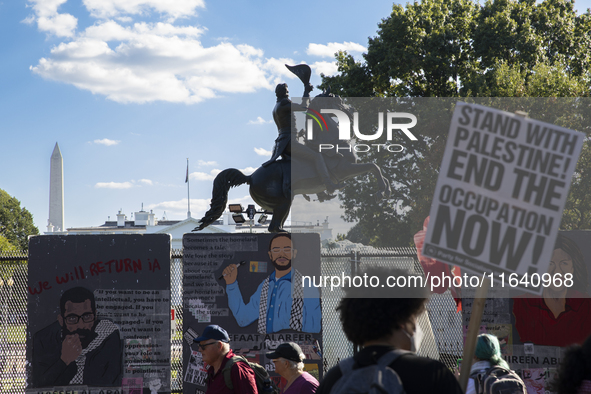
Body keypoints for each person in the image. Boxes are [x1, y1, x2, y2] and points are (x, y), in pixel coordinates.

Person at [316, 266, 463, 394]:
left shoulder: (334, 378)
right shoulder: (432, 374)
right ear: (402, 320)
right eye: (414, 317)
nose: (416, 327)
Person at [223, 233, 321, 334]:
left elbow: (313, 329)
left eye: (287, 249)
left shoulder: (307, 287)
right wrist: (231, 284)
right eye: (276, 250)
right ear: (270, 255)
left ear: (294, 253)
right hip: (267, 348)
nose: (281, 254)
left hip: (292, 348)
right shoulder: (265, 286)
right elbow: (243, 319)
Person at [32, 286, 122, 388]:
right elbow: (40, 385)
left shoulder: (107, 335)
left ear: (95, 316)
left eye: (87, 317)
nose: (81, 325)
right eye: (72, 318)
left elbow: (109, 383)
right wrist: (64, 361)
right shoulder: (44, 340)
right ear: (61, 320)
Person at [513, 234, 591, 346]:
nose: (557, 272)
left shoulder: (586, 306)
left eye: (564, 263)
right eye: (550, 264)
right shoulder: (518, 305)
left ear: (573, 268)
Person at [262, 82, 340, 193]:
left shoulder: (277, 106)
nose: (288, 92)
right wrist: (306, 92)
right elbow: (304, 107)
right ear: (284, 92)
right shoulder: (284, 104)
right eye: (287, 90)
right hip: (290, 142)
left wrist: (298, 134)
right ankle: (329, 185)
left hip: (284, 141)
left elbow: (285, 129)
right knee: (317, 156)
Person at [194, 324, 257, 394]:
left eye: (203, 346)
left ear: (219, 346)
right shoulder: (211, 371)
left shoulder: (238, 369)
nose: (199, 349)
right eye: (199, 346)